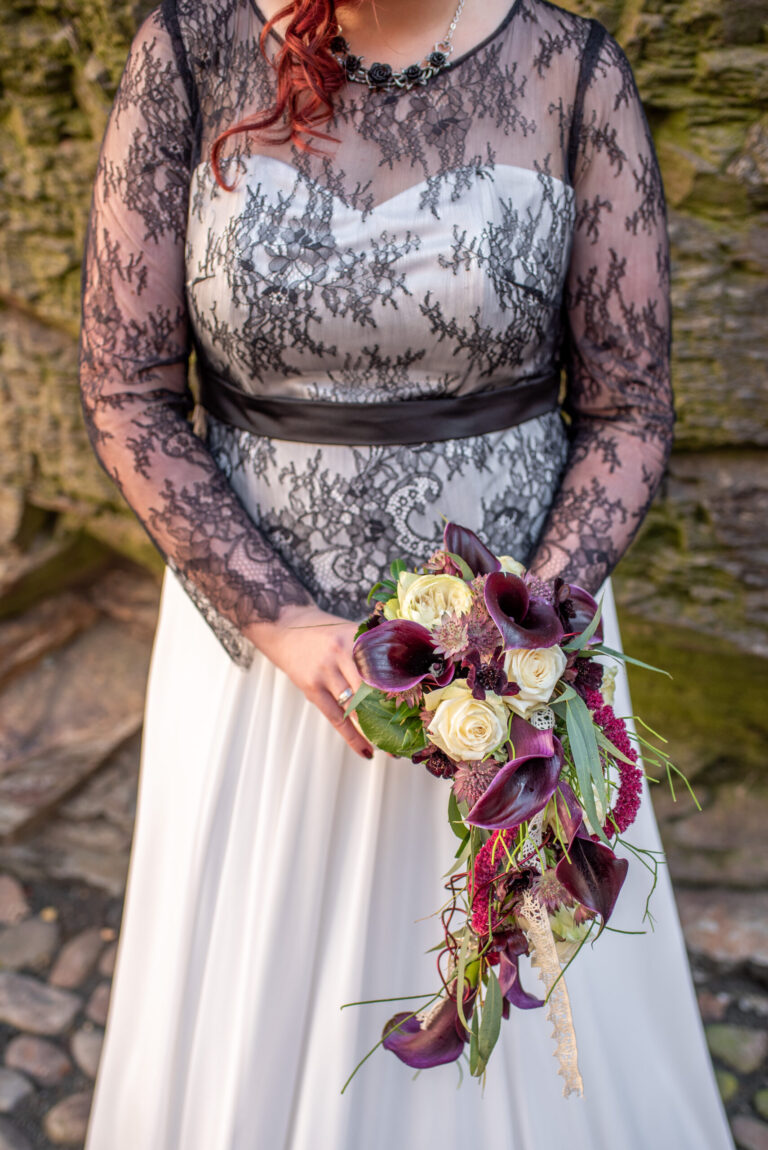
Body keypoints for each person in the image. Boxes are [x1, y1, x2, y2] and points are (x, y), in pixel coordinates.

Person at [78, 0, 734, 1145]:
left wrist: (527, 645)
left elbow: (628, 409)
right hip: (263, 671)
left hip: (519, 681)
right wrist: (280, 623)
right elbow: (127, 389)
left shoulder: (573, 75)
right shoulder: (187, 54)